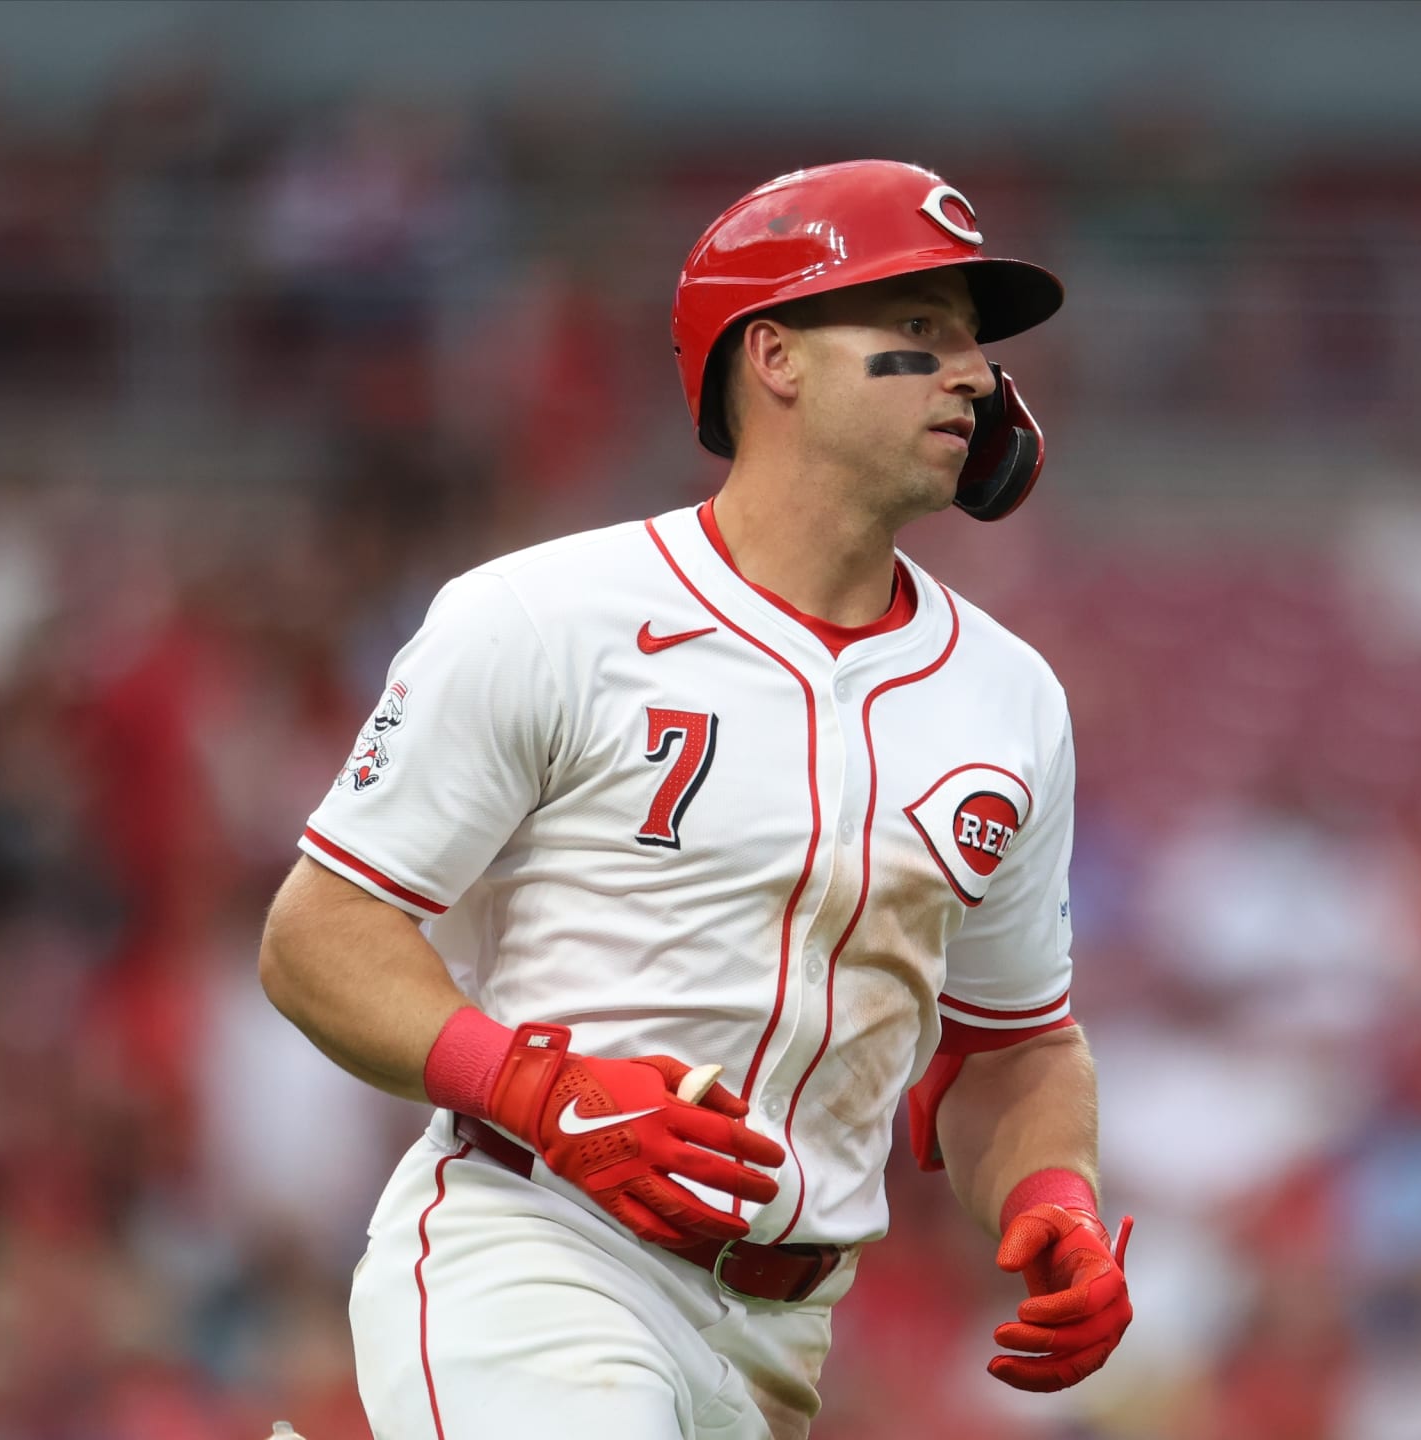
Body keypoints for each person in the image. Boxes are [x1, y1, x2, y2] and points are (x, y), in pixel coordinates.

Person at [258, 159, 1133, 1439]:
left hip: (783, 1334)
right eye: (919, 329)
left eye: (974, 344)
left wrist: (1051, 1196)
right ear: (773, 356)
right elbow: (316, 938)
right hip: (540, 1244)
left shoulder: (1010, 698)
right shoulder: (543, 615)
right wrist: (538, 1090)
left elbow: (1012, 1042)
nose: (972, 376)